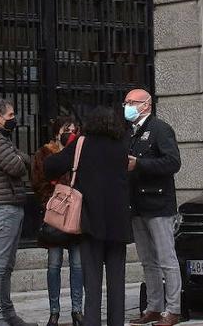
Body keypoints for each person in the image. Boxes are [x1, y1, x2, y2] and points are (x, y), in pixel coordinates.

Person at [44, 107, 130, 326]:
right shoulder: (123, 144)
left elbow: (50, 167)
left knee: (92, 282)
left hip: (91, 220)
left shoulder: (83, 143)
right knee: (117, 281)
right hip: (119, 221)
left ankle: (92, 321)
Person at [123, 90, 181, 326]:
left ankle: (174, 309)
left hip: (158, 204)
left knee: (167, 258)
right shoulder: (130, 133)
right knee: (147, 260)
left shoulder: (160, 129)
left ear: (146, 105)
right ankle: (154, 307)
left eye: (132, 102)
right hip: (137, 204)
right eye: (126, 102)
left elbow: (173, 162)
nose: (127, 106)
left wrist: (140, 164)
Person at [0, 99, 36, 326]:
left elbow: (24, 159)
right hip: (4, 208)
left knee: (7, 266)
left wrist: (21, 158)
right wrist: (21, 158)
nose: (14, 119)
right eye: (10, 115)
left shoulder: (0, 138)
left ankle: (7, 314)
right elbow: (18, 166)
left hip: (9, 206)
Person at [31, 117, 83, 326]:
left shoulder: (80, 153)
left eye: (74, 129)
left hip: (77, 215)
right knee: (54, 264)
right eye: (66, 129)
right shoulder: (44, 153)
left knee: (77, 265)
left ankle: (77, 310)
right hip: (55, 215)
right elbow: (37, 182)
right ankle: (54, 311)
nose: (70, 132)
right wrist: (53, 202)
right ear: (56, 132)